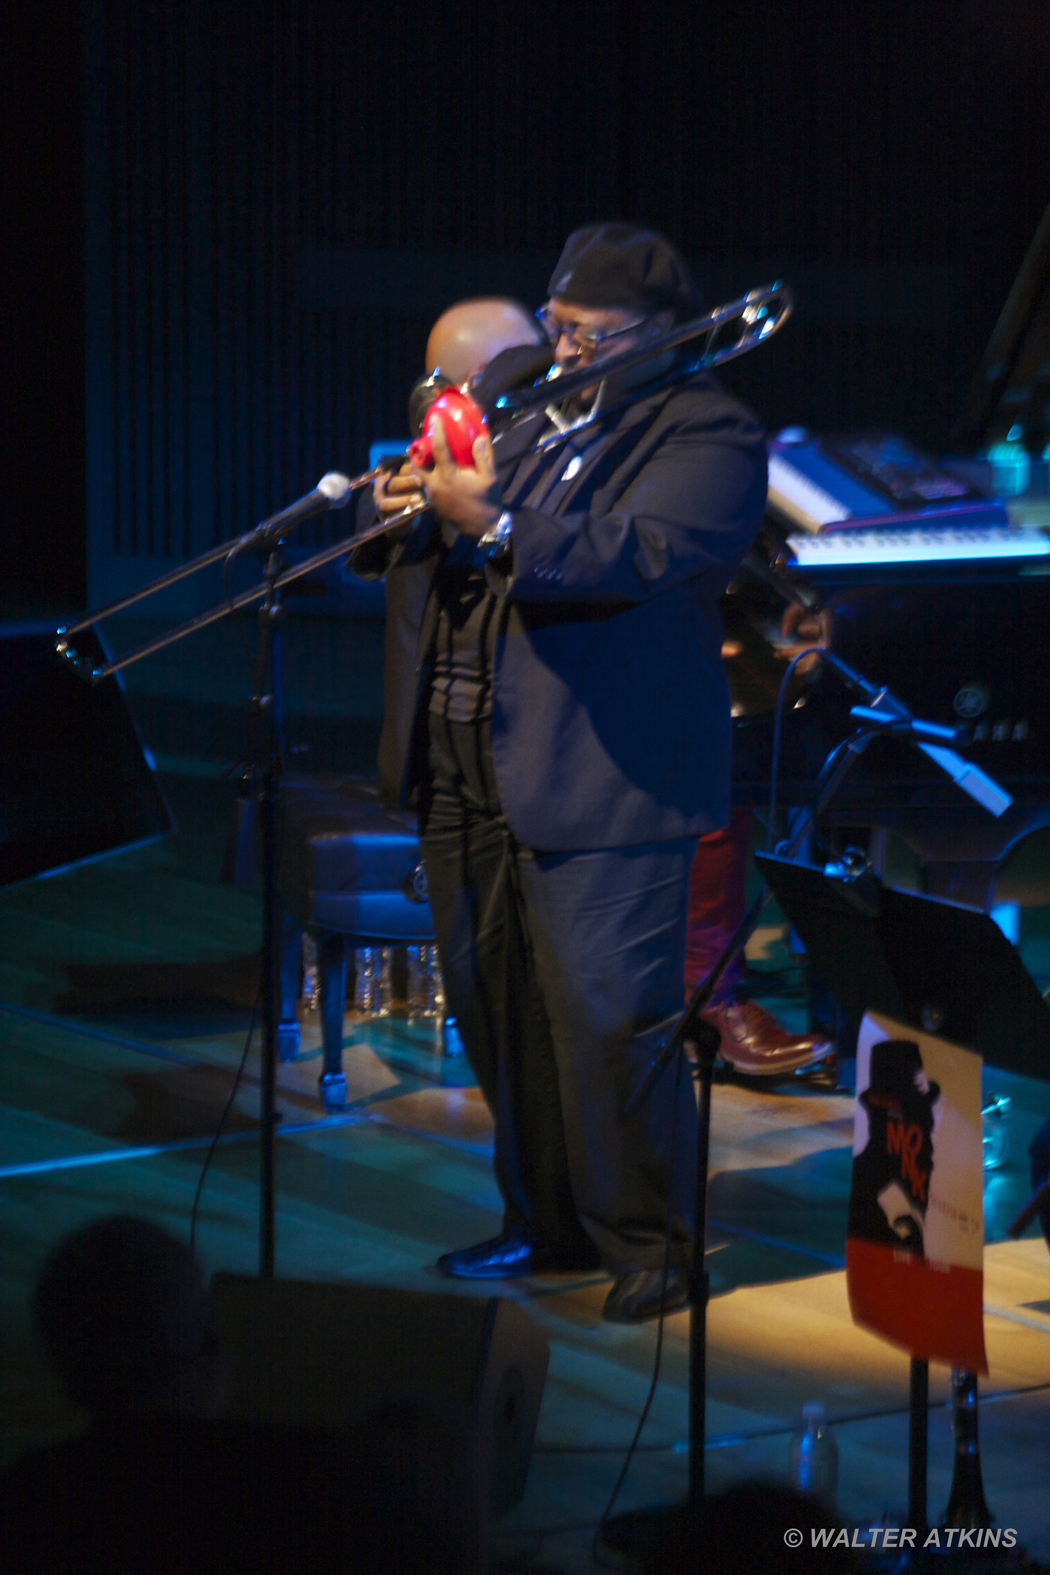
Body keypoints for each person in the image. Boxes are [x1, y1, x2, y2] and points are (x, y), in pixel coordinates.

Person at [354, 223, 769, 1323]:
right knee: (501, 1014)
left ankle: (655, 1242)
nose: (565, 347)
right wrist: (397, 501)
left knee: (607, 1020)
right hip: (468, 757)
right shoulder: (531, 394)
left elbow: (639, 553)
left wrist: (488, 520)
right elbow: (426, 485)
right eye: (558, 325)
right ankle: (547, 1223)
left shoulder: (707, 430)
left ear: (656, 332)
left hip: (602, 772)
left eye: (589, 333)